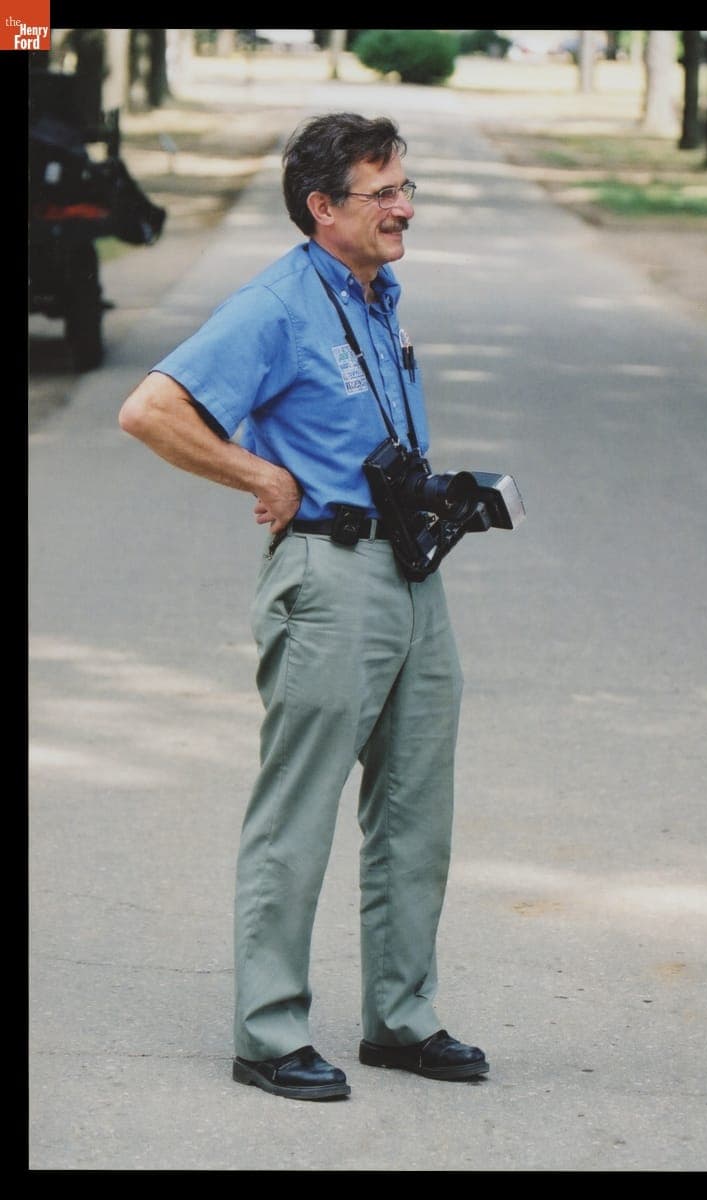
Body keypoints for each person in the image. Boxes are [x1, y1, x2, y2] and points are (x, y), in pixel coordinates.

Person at [118, 112, 489, 1102]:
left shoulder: (377, 294)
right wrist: (261, 474)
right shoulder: (277, 305)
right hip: (329, 577)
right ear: (322, 206)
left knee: (415, 810)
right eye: (384, 192)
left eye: (406, 188)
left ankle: (401, 1021)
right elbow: (150, 410)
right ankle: (270, 1033)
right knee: (299, 811)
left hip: (411, 573)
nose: (404, 208)